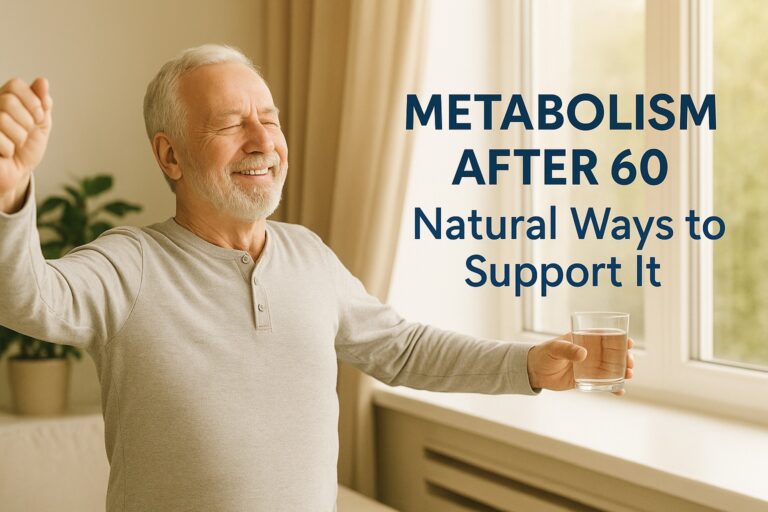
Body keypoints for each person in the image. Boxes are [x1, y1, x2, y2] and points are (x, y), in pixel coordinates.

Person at [0, 44, 633, 512]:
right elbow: (28, 297)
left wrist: (529, 364)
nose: (261, 141)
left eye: (269, 119)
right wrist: (11, 192)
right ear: (169, 155)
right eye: (229, 124)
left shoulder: (308, 255)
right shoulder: (131, 264)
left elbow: (402, 348)